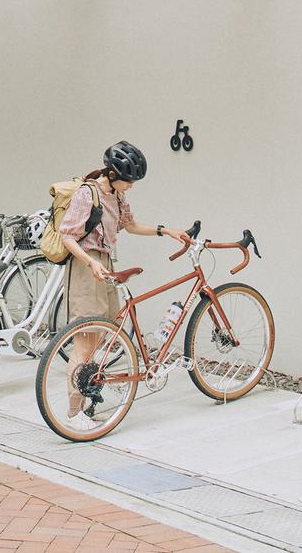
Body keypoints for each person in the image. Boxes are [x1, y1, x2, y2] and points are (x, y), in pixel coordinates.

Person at [59, 139, 188, 421]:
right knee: (83, 343)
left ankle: (84, 399)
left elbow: (129, 225)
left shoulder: (116, 196)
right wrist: (90, 262)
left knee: (98, 340)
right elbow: (67, 236)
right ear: (113, 175)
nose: (131, 186)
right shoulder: (87, 194)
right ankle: (72, 413)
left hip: (103, 264)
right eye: (128, 181)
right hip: (85, 266)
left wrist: (165, 231)